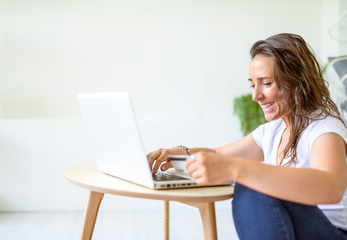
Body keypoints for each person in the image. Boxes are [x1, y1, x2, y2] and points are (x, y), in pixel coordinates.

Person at [147, 33, 347, 239]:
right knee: (254, 180)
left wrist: (236, 168)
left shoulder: (324, 128)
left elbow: (331, 187)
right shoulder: (273, 130)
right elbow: (217, 154)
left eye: (267, 83)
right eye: (253, 85)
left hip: (332, 232)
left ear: (297, 82)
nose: (256, 96)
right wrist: (180, 153)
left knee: (254, 182)